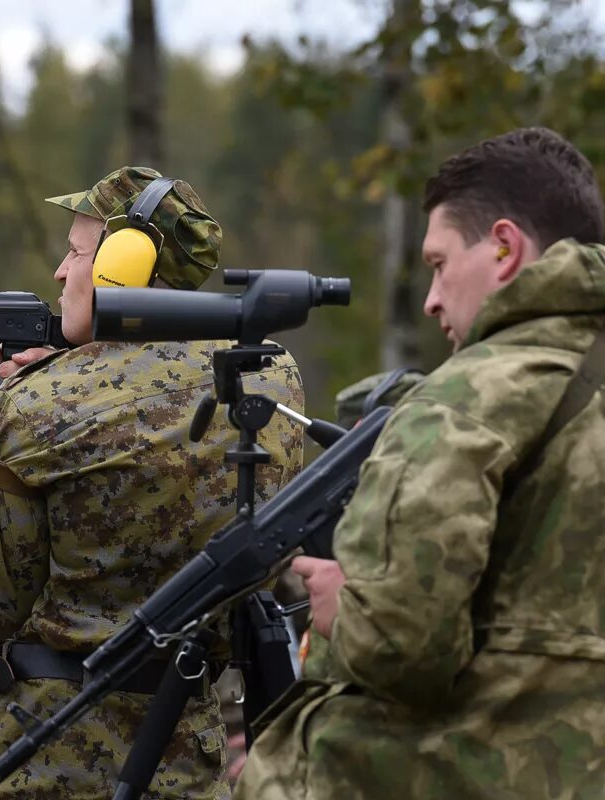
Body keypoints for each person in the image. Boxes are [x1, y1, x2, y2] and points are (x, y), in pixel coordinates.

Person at [0, 166, 306, 799]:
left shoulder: (35, 403)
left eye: (75, 252)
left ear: (125, 264)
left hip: (43, 756)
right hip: (186, 757)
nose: (61, 272)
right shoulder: (270, 379)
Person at [236, 127, 605, 799]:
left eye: (438, 263)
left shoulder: (466, 399)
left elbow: (402, 649)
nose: (432, 298)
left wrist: (344, 606)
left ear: (503, 246)